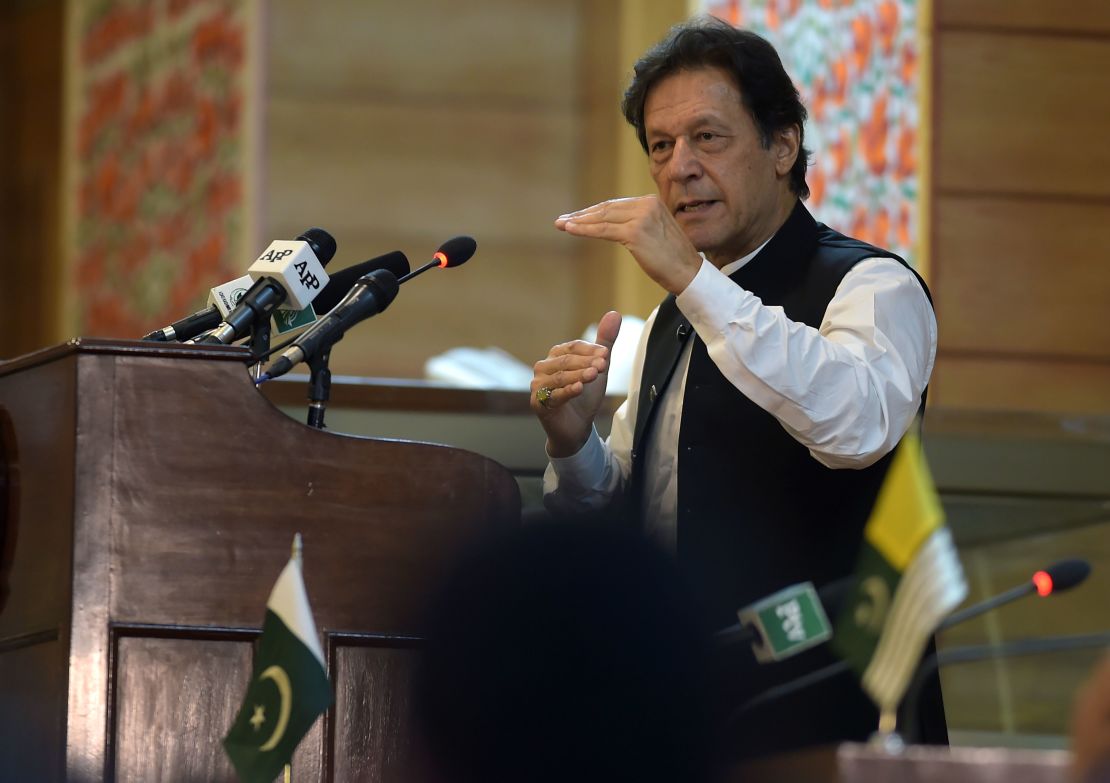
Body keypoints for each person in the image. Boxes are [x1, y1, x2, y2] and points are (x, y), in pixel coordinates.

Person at [529, 16, 943, 758]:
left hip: (828, 714)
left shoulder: (872, 284)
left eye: (707, 138)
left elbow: (857, 428)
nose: (679, 167)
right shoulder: (669, 317)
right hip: (685, 704)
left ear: (782, 146)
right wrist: (572, 444)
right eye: (661, 146)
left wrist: (693, 283)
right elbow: (640, 507)